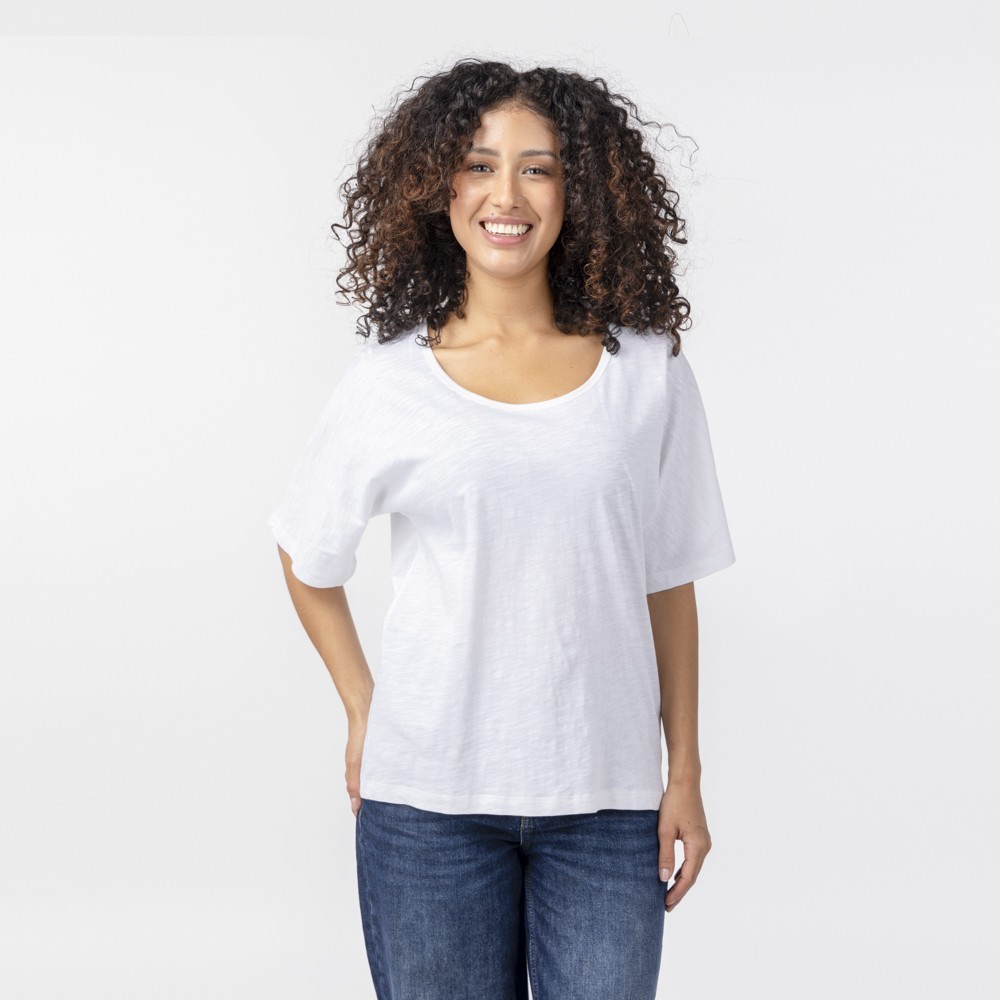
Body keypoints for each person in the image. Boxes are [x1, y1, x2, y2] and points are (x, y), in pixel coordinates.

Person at [267, 58, 736, 1000]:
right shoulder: (388, 382)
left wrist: (683, 771)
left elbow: (669, 579)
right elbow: (307, 556)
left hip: (607, 806)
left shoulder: (647, 373)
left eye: (539, 168)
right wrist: (364, 710)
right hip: (426, 806)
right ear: (438, 187)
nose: (506, 196)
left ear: (579, 191)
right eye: (479, 166)